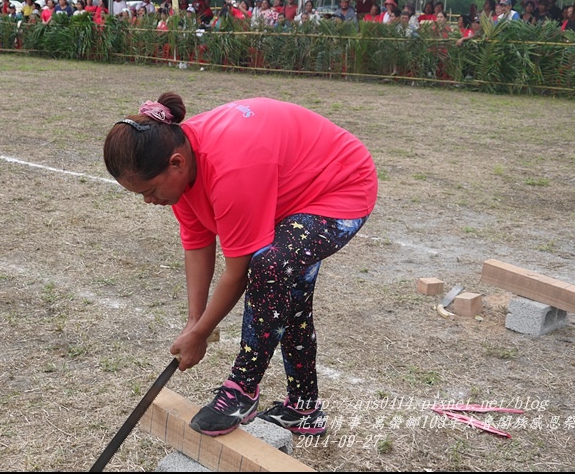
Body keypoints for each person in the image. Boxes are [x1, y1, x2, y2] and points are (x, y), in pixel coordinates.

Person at [103, 94, 377, 437]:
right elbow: (197, 243)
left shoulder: (230, 168)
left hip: (340, 186)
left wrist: (202, 334)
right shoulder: (183, 166)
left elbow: (238, 273)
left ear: (176, 163)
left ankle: (242, 390)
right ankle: (303, 408)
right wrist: (193, 321)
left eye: (150, 190)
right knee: (288, 297)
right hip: (288, 194)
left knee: (271, 267)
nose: (148, 200)